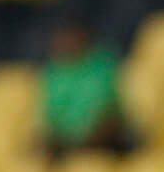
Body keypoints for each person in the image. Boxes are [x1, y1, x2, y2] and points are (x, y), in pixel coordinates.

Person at [38, 20, 138, 161]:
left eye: (69, 37)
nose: (65, 42)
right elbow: (50, 118)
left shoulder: (103, 66)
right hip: (67, 143)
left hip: (104, 141)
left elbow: (107, 111)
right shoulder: (53, 72)